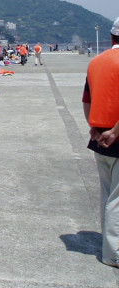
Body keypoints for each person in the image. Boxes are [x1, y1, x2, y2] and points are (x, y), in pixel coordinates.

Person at [83, 17, 119, 267]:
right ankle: (114, 254)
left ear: (111, 37)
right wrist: (115, 131)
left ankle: (110, 248)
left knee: (107, 195)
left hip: (99, 137)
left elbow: (87, 100)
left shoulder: (96, 62)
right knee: (117, 200)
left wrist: (95, 130)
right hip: (116, 136)